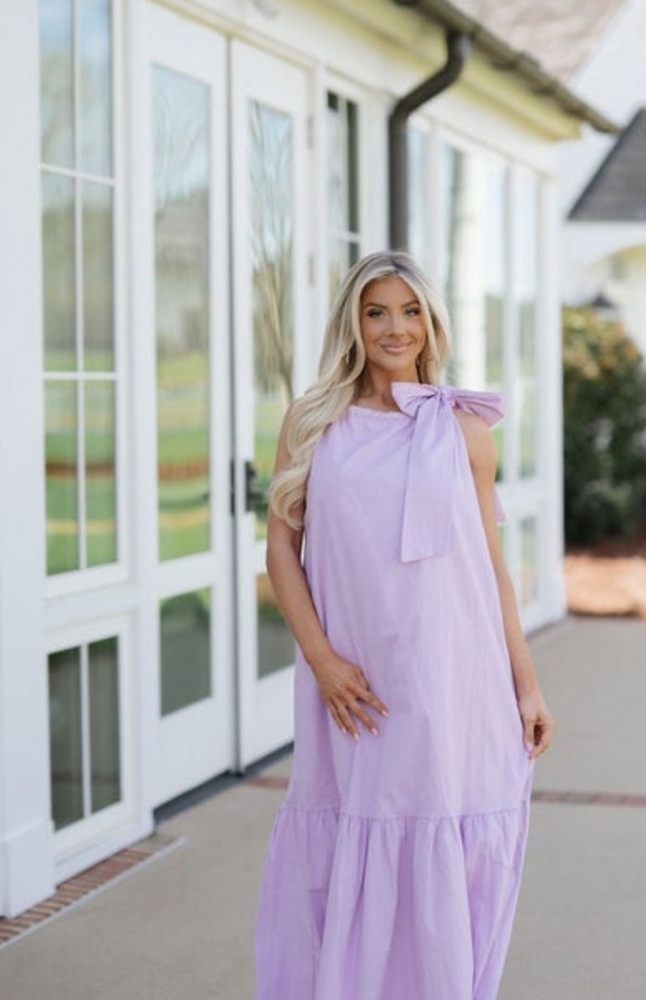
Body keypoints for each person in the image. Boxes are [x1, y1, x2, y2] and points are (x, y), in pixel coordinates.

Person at [254, 250, 554, 1000]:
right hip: (358, 684)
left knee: (444, 839)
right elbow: (281, 550)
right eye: (378, 311)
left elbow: (492, 571)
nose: (396, 328)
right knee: (360, 833)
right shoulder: (313, 421)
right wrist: (321, 660)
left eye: (411, 311)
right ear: (353, 322)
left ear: (432, 322)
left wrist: (527, 685)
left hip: (457, 682)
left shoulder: (464, 428)